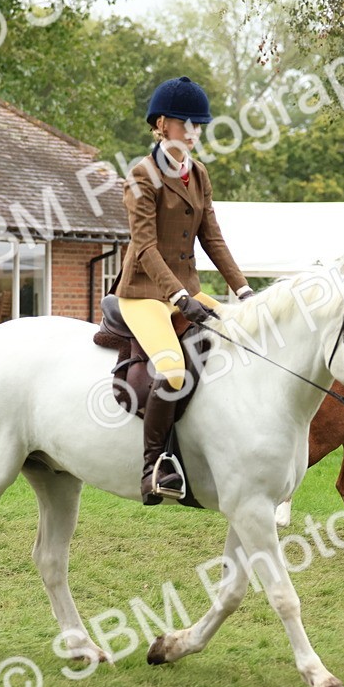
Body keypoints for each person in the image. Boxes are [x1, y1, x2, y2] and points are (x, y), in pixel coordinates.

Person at [114, 76, 253, 504]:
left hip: (187, 291)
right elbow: (145, 246)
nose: (194, 132)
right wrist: (177, 297)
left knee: (241, 335)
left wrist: (244, 291)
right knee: (173, 370)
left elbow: (212, 238)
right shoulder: (142, 174)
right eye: (186, 123)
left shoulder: (199, 174)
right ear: (161, 125)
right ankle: (154, 466)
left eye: (199, 125)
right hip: (143, 294)